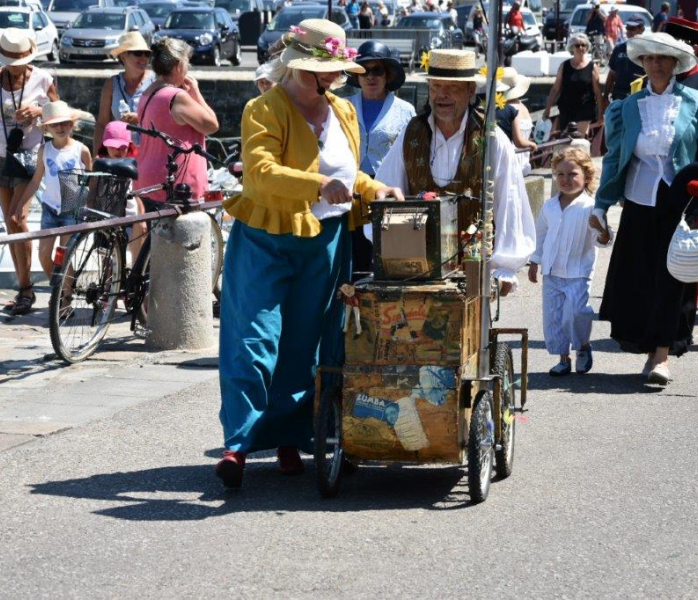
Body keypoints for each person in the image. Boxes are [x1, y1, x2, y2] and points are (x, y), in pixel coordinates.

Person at [216, 20, 403, 488]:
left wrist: (376, 189)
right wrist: (318, 184)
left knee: (305, 346)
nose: (339, 78)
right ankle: (238, 443)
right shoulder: (264, 108)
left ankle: (289, 439)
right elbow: (260, 173)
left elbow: (350, 175)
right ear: (303, 69)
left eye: (340, 71)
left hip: (326, 240)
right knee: (254, 340)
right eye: (330, 71)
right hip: (266, 237)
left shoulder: (343, 110)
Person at [593, 32, 698, 385]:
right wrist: (601, 204)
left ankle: (662, 355)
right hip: (639, 201)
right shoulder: (627, 107)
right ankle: (649, 346)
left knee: (672, 277)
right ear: (642, 63)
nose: (656, 64)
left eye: (663, 58)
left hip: (680, 200)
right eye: (649, 58)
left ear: (676, 64)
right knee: (640, 278)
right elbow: (614, 158)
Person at [375, 49, 537, 292]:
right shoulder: (412, 132)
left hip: (474, 269)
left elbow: (509, 200)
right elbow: (387, 188)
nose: (442, 95)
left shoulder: (491, 137)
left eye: (452, 87)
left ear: (470, 91)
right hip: (418, 272)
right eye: (436, 86)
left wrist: (505, 268)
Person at [528, 146, 612, 377]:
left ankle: (583, 346)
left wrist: (603, 231)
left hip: (578, 272)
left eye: (572, 174)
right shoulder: (550, 206)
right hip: (552, 271)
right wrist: (535, 261)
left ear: (587, 177)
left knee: (576, 313)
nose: (565, 179)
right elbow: (540, 234)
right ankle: (563, 358)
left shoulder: (591, 207)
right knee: (554, 316)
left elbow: (602, 240)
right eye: (560, 174)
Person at [0, 28, 58, 316]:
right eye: (11, 62)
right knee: (10, 225)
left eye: (20, 61)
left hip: (30, 155)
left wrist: (37, 111)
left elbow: (58, 113)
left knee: (17, 218)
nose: (15, 67)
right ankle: (24, 288)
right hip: (1, 155)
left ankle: (26, 289)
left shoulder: (43, 78)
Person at [344, 40, 415, 273]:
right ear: (357, 75)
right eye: (364, 70)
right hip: (351, 188)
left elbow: (411, 154)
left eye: (377, 70)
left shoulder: (405, 111)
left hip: (388, 187)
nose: (370, 77)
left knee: (387, 253)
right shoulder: (344, 107)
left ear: (388, 75)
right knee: (354, 254)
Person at [13, 102, 91, 288]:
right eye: (54, 124)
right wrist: (21, 205)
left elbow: (91, 181)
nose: (60, 128)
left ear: (72, 124)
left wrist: (89, 206)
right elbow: (35, 181)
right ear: (46, 128)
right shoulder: (44, 150)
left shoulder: (81, 150)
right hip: (50, 208)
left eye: (64, 123)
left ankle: (66, 296)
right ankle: (60, 289)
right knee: (43, 254)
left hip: (72, 209)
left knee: (63, 255)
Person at [136, 38, 218, 203]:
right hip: (176, 183)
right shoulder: (176, 97)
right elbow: (211, 126)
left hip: (147, 178)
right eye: (187, 63)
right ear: (179, 65)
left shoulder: (147, 93)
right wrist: (195, 92)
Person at [92, 32, 154, 153]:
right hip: (121, 154)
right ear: (123, 56)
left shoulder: (156, 82)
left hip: (151, 153)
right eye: (138, 53)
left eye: (147, 54)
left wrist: (140, 119)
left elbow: (166, 120)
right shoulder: (111, 84)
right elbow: (102, 124)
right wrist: (97, 155)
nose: (144, 58)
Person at [98, 120, 147, 262]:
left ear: (129, 145)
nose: (118, 151)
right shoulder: (101, 164)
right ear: (105, 145)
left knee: (137, 255)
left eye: (122, 147)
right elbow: (93, 190)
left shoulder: (131, 165)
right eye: (113, 147)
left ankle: (134, 274)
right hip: (106, 216)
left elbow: (137, 193)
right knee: (107, 260)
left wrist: (142, 217)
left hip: (130, 218)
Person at [543, 33, 603, 136]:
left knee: (579, 140)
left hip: (585, 110)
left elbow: (598, 92)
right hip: (566, 110)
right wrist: (547, 109)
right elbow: (555, 89)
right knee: (566, 140)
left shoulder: (592, 67)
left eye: (583, 45)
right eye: (577, 45)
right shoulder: (564, 66)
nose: (581, 48)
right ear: (572, 47)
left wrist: (600, 114)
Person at [494, 67, 537, 175]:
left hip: (512, 164)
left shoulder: (509, 110)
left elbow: (518, 142)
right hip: (525, 163)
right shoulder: (523, 106)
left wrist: (531, 144)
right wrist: (531, 144)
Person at [604, 16, 646, 102]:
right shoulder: (619, 48)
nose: (629, 31)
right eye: (628, 28)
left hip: (639, 96)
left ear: (642, 29)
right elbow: (612, 74)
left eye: (632, 28)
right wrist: (605, 96)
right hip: (619, 95)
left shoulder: (648, 51)